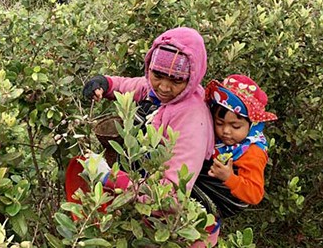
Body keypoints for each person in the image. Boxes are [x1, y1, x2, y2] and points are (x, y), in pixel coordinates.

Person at [73, 27, 218, 246]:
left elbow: (172, 198)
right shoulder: (153, 90)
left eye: (176, 80)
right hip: (148, 222)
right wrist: (105, 83)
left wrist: (110, 178)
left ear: (191, 78)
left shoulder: (192, 119)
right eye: (157, 75)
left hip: (181, 233)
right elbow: (128, 86)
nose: (164, 87)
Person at [191, 74, 278, 219]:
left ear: (252, 125)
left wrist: (229, 178)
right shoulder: (219, 138)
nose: (225, 131)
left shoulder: (252, 152)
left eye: (235, 126)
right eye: (219, 123)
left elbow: (255, 194)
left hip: (209, 214)